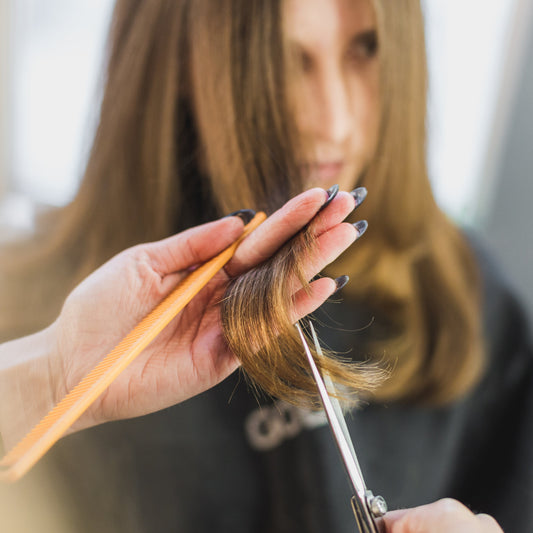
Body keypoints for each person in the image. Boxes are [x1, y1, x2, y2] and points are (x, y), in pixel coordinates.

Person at [0, 0, 530, 531]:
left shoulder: (473, 299)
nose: (333, 122)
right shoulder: (27, 314)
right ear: (178, 62)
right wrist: (51, 377)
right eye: (280, 59)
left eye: (365, 49)